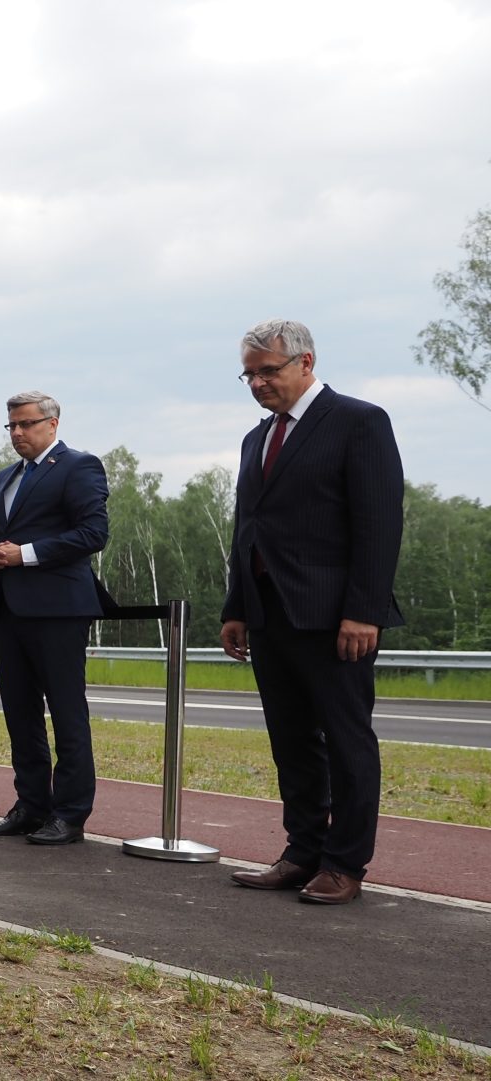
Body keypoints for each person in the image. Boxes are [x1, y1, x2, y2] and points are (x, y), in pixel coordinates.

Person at [222, 319, 403, 906]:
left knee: (347, 742)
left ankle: (345, 863)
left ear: (306, 362)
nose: (257, 383)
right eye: (249, 374)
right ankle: (302, 851)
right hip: (269, 614)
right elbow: (248, 529)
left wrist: (364, 610)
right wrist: (236, 606)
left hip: (335, 618)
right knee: (292, 741)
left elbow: (379, 523)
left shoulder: (358, 421)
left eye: (267, 371)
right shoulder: (256, 438)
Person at [0, 392, 110, 846]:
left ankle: (69, 814)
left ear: (52, 424)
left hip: (59, 610)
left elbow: (94, 532)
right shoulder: (5, 477)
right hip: (11, 610)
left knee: (67, 716)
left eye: (26, 424)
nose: (17, 433)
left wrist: (25, 554)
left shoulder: (79, 466)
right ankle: (31, 805)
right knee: (21, 715)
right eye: (11, 425)